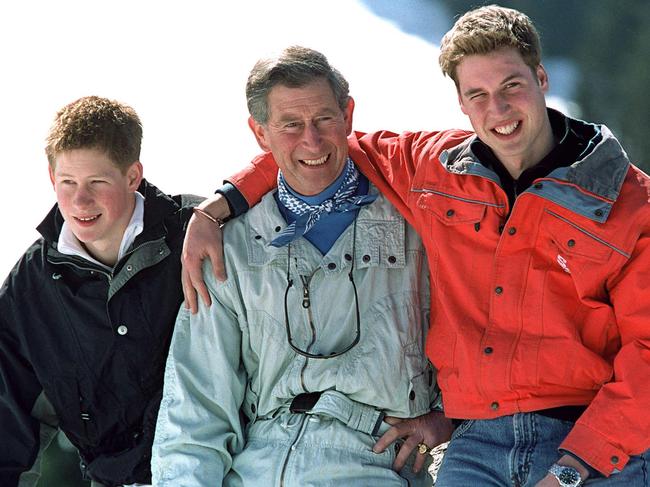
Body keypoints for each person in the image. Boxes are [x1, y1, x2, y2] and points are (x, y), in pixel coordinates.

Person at [182, 6, 650, 487]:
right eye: (478, 95)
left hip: (594, 443)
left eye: (512, 86)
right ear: (462, 104)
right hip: (477, 444)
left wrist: (574, 468)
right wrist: (215, 207)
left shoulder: (627, 200)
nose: (499, 110)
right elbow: (319, 147)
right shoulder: (433, 170)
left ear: (541, 77)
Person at [151, 46, 452, 487]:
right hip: (256, 463)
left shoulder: (418, 225)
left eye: (324, 119)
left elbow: (484, 329)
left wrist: (450, 417)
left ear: (348, 115)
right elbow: (196, 407)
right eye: (290, 125)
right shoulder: (229, 246)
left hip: (375, 462)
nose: (311, 141)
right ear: (260, 133)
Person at [0, 96, 202, 487]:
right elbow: (6, 400)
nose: (80, 201)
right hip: (108, 478)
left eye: (97, 182)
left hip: (209, 467)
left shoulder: (194, 235)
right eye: (67, 183)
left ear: (132, 176)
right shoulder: (32, 282)